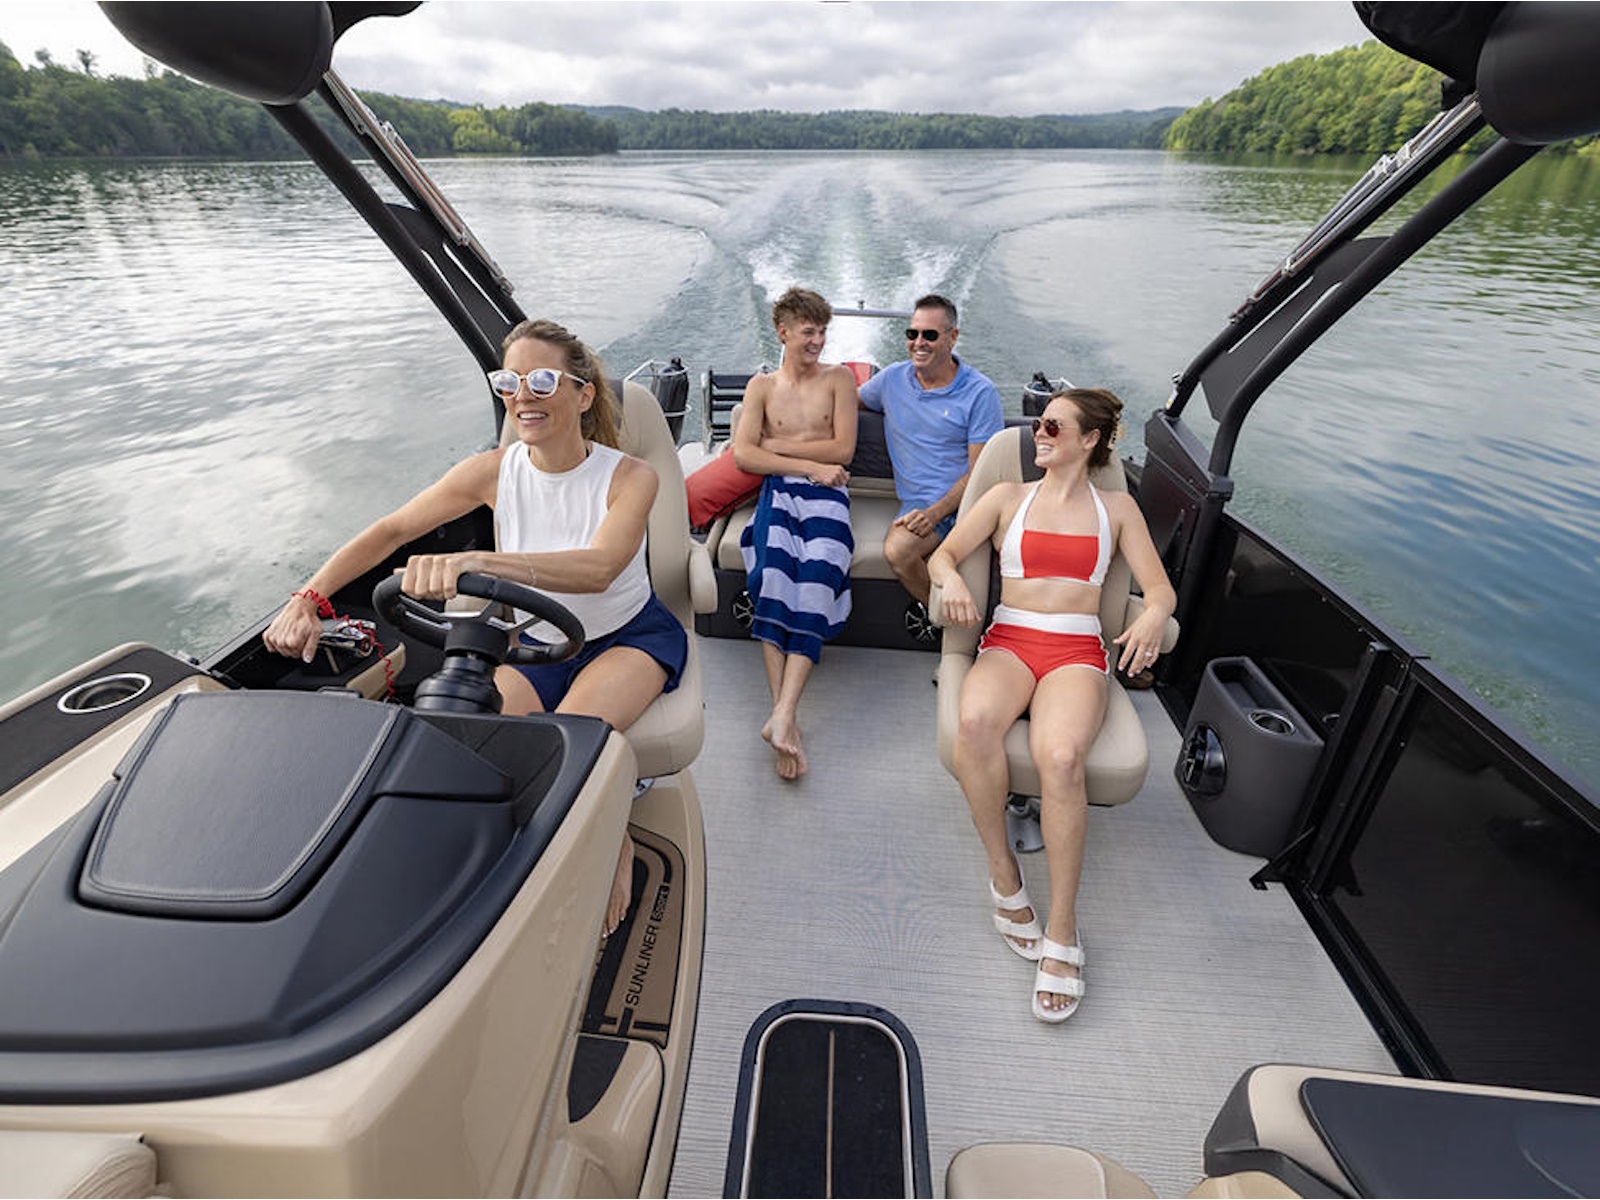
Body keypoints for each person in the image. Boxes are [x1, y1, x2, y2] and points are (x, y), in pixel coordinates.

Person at [263, 317, 686, 938]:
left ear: (583, 394)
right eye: (508, 382)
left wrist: (482, 562)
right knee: (477, 749)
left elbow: (599, 569)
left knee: (564, 744)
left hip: (626, 637)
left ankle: (617, 831)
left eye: (542, 381)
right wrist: (307, 598)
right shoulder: (492, 471)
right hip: (540, 642)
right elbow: (391, 531)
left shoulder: (630, 476)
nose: (523, 395)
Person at [927, 388, 1175, 1023]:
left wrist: (1154, 616)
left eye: (1053, 427)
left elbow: (1159, 591)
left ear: (1089, 440)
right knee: (974, 723)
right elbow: (943, 555)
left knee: (1061, 757)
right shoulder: (1006, 497)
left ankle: (1062, 929)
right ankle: (1004, 876)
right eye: (1039, 424)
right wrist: (949, 579)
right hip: (1009, 641)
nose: (1038, 433)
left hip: (1075, 651)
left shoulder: (1117, 508)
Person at [732, 286, 859, 780]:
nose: (818, 341)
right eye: (809, 331)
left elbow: (843, 451)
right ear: (782, 332)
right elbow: (745, 456)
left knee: (819, 578)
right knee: (772, 579)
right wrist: (808, 463)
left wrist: (776, 446)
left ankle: (783, 715)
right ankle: (784, 715)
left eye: (822, 331)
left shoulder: (839, 380)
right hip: (782, 490)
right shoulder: (761, 387)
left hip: (829, 492)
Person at [858, 293, 1004, 613]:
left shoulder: (980, 393)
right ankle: (945, 617)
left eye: (930, 335)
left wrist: (935, 513)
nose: (919, 343)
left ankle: (948, 622)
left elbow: (981, 473)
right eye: (913, 333)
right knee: (899, 550)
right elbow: (847, 404)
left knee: (899, 550)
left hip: (963, 503)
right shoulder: (891, 380)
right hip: (916, 503)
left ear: (952, 337)